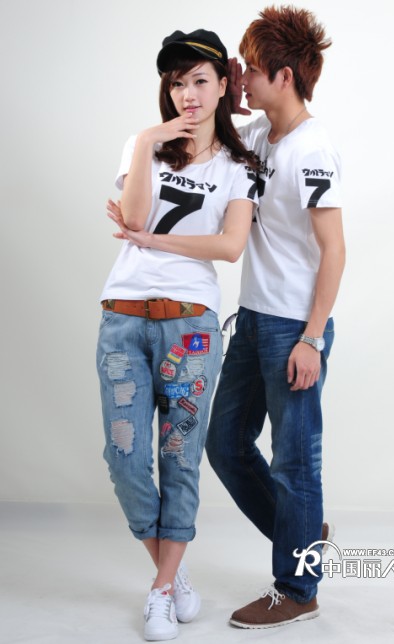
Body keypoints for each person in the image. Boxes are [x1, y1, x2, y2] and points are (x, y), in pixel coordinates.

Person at [97, 28, 258, 641]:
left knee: (179, 457)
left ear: (222, 86)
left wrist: (153, 242)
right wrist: (146, 141)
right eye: (176, 82)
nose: (187, 93)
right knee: (125, 459)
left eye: (199, 80)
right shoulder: (145, 145)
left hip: (191, 326)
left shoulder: (239, 169)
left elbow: (230, 246)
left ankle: (161, 589)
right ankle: (172, 571)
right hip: (123, 319)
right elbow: (134, 214)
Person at [205, 6, 346, 630]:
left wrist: (312, 339)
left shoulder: (314, 149)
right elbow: (212, 141)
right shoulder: (261, 133)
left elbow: (335, 251)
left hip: (294, 327)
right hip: (253, 319)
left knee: (294, 463)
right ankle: (305, 538)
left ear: (285, 77)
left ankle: (298, 587)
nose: (242, 79)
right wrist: (227, 99)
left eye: (252, 70)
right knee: (225, 445)